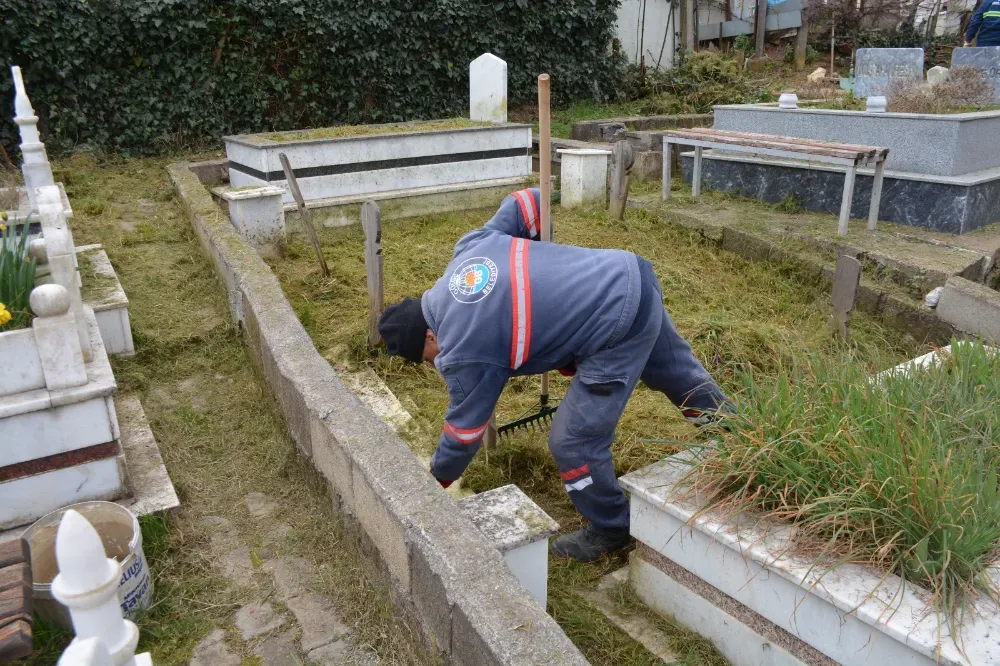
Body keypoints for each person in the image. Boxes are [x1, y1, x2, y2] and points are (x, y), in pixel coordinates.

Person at [377, 188, 729, 562]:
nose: (435, 364)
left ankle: (612, 529)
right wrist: (549, 276)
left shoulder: (461, 347)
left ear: (429, 335)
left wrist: (432, 485)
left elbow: (463, 434)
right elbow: (529, 203)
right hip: (630, 276)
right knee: (677, 375)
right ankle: (740, 439)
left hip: (612, 325)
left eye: (427, 357)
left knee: (572, 442)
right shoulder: (468, 252)